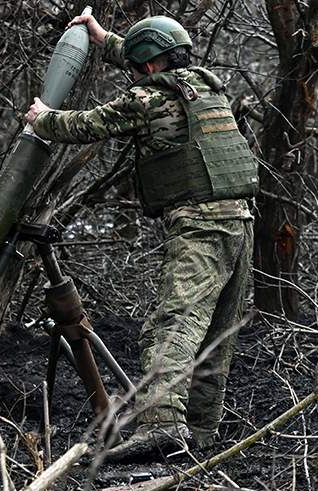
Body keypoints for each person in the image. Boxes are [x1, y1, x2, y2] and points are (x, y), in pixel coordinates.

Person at [25, 14, 257, 461]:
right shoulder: (207, 86)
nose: (133, 75)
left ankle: (163, 426)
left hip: (200, 227)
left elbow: (87, 125)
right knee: (215, 334)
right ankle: (201, 432)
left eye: (136, 68)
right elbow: (149, 61)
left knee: (173, 325)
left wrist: (44, 119)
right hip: (241, 221)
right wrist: (104, 39)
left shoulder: (146, 98)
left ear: (148, 67)